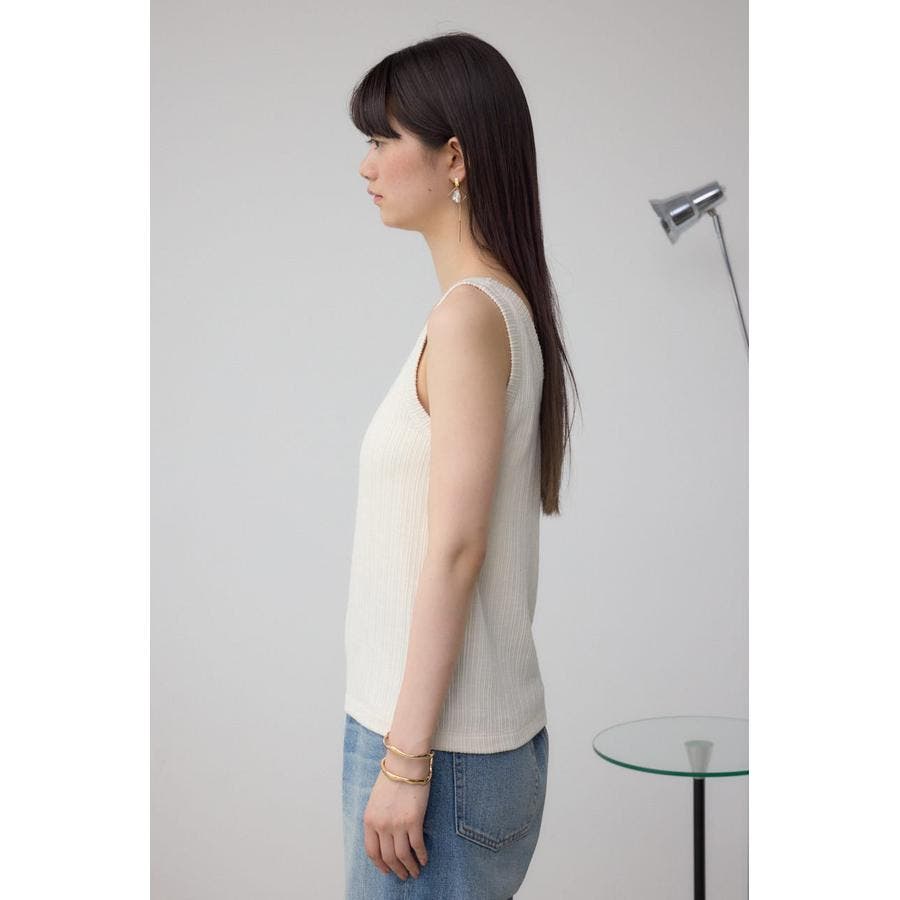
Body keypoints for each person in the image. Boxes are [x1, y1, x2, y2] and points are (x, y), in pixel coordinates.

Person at [342, 31, 580, 899]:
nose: (366, 165)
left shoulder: (471, 317)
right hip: (452, 747)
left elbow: (455, 550)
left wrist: (405, 760)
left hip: (437, 754)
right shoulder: (495, 308)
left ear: (453, 157)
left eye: (383, 139)